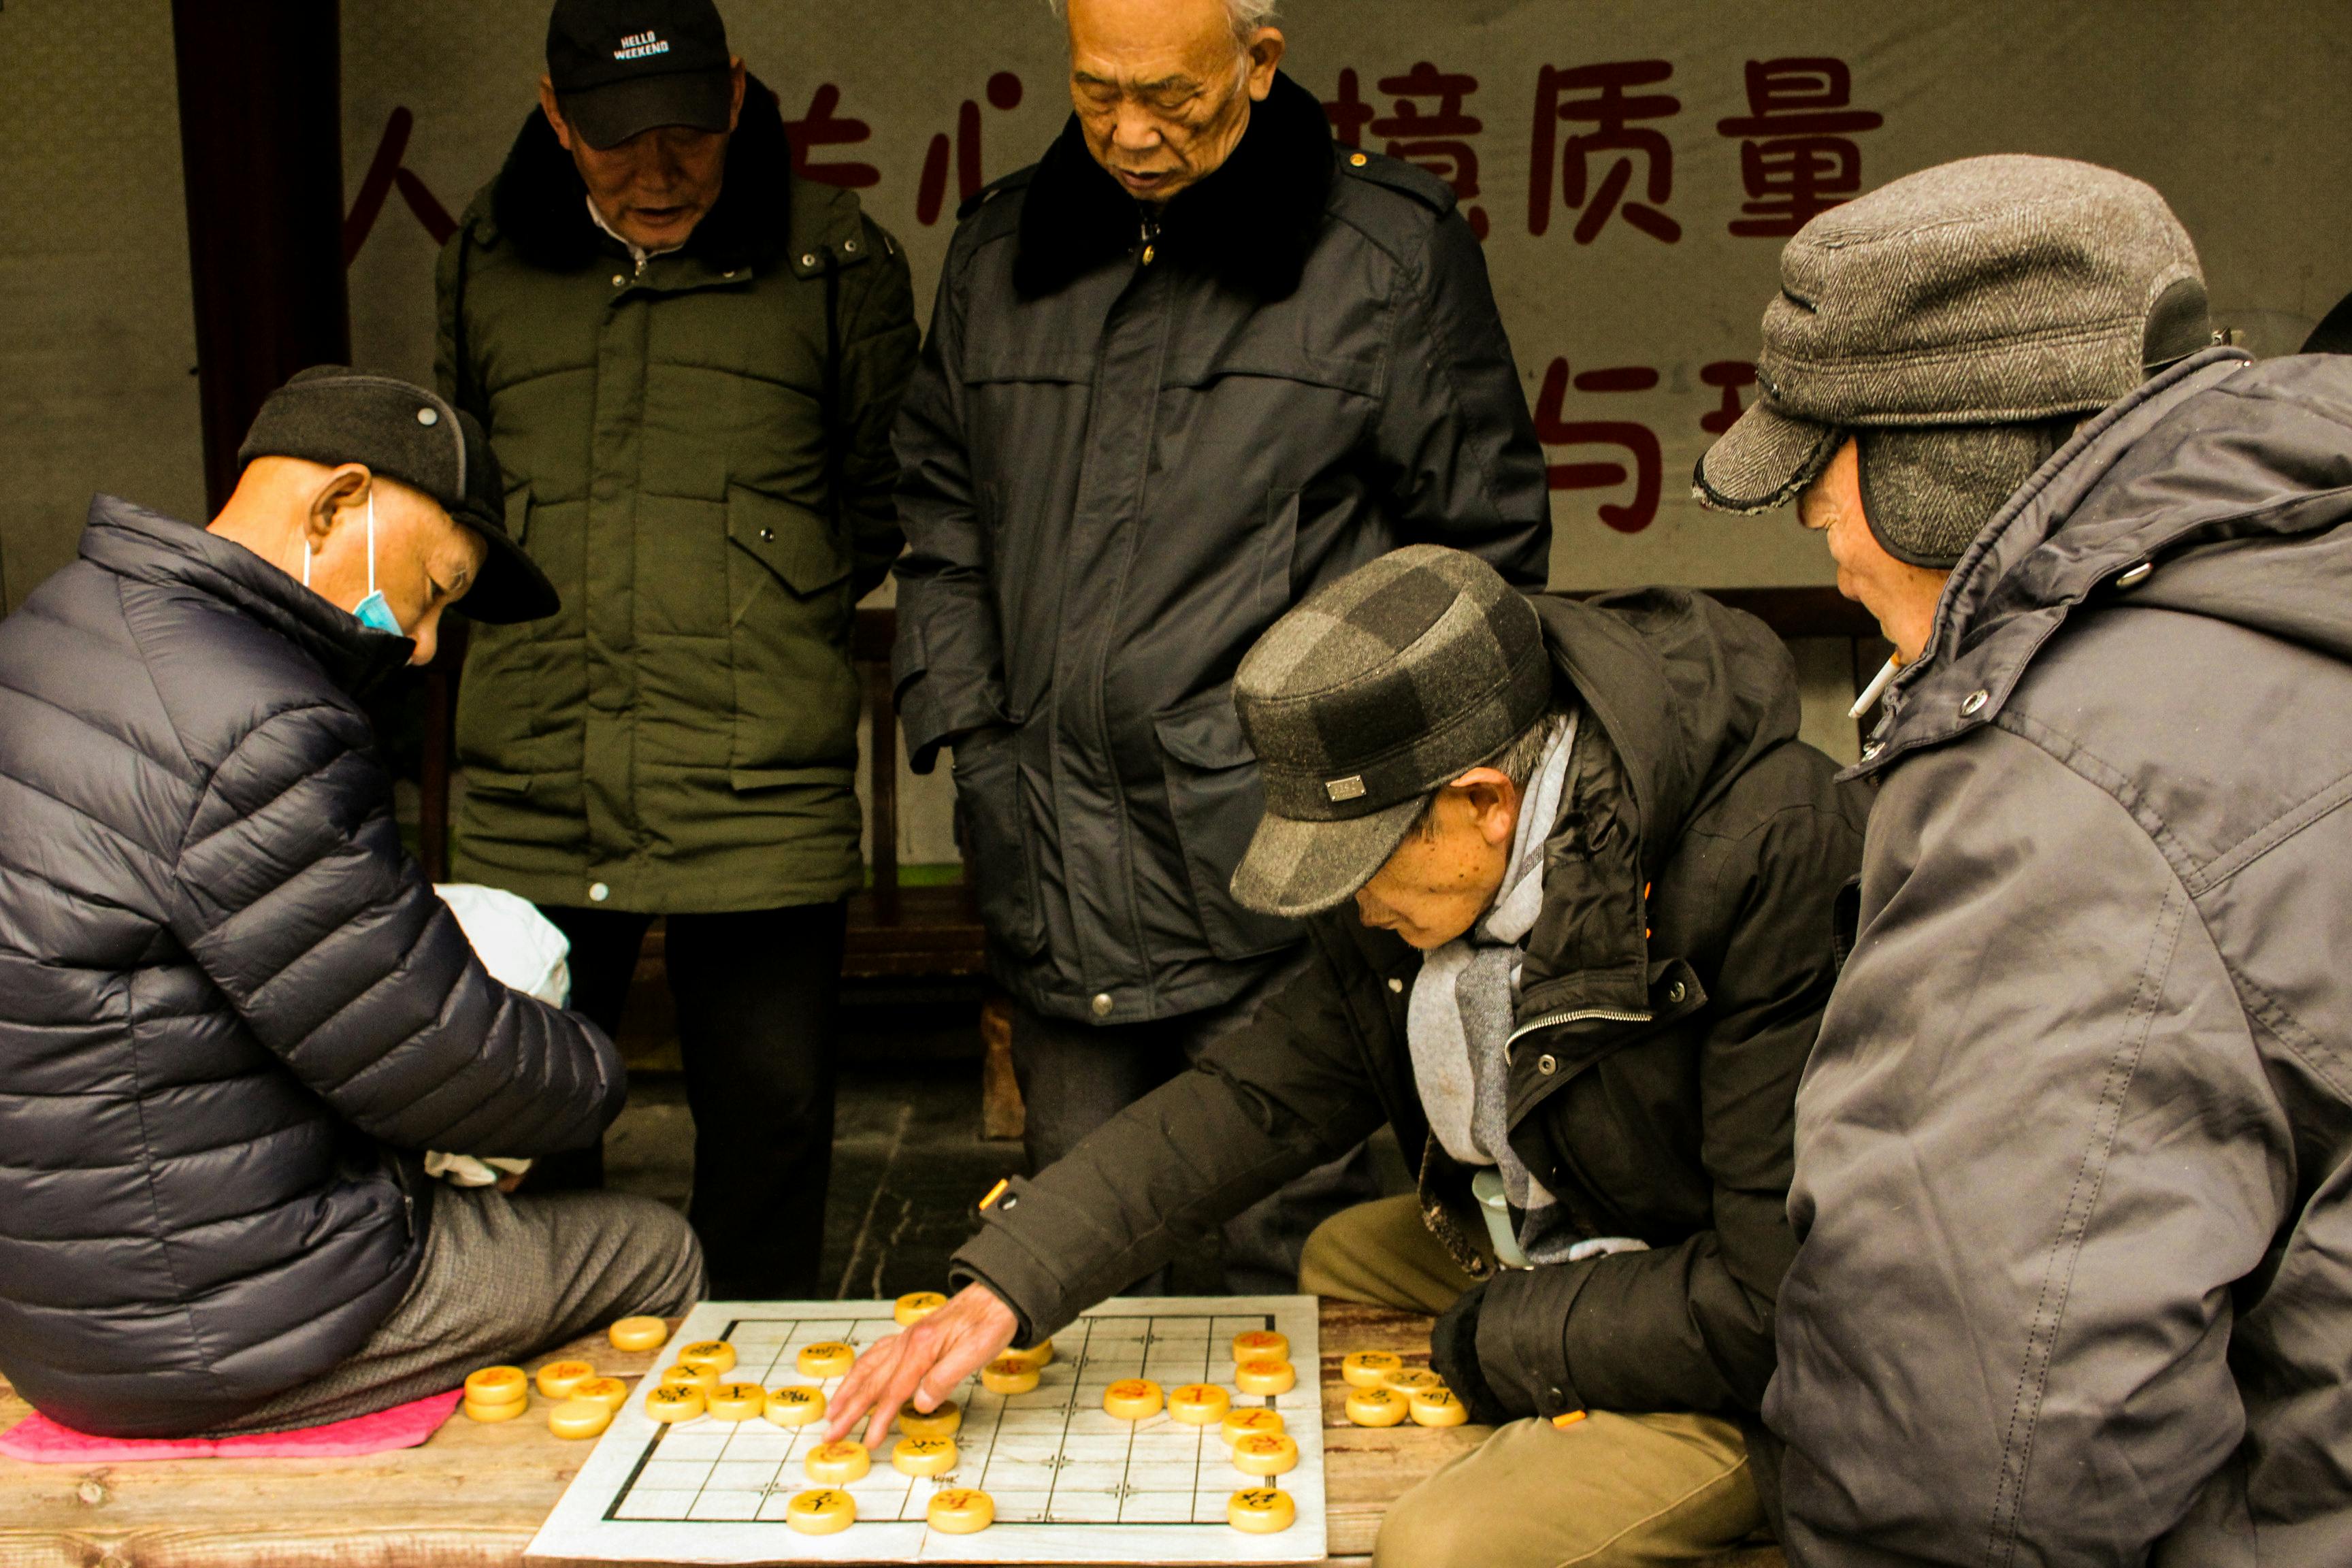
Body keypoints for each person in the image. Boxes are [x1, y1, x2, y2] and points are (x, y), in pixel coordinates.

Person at [834, 545, 1866, 1565]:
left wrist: (1497, 1342)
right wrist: (1009, 1282)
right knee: (1342, 1259)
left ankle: (1635, 1474)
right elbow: (1251, 1100)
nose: (1358, 903)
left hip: (1763, 1348)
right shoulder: (1432, 878)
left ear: (1484, 801)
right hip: (1582, 1229)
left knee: (1439, 1544)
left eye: (1365, 865)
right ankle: (1538, 1419)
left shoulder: (1771, 856)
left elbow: (1776, 1299)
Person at [1694, 154, 2352, 1563]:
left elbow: (1972, 1447)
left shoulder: (2062, 794)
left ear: (1938, 475)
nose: (1833, 560)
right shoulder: (2304, 584)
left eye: (1821, 498)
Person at [890, 0, 1551, 1292]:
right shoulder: (1004, 249)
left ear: (1259, 61)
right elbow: (939, 507)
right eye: (1097, 95)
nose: (1131, 135)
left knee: (1287, 1268)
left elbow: (1482, 560)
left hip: (1286, 863)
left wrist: (1380, 800)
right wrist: (973, 734)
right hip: (1054, 848)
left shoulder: (1380, 255)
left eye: (1174, 101)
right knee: (1075, 1267)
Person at [0, 368, 701, 1440]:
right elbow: (432, 1050)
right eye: (433, 586)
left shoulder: (56, 626)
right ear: (336, 505)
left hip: (45, 1296)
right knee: (651, 1249)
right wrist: (592, 1074)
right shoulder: (258, 719)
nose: (421, 642)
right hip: (200, 1324)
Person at [436, 0, 918, 1297]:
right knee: (519, 1128)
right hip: (535, 772)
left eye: (690, 138)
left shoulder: (834, 259)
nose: (657, 175)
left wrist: (751, 598)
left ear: (740, 97)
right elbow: (460, 497)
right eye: (616, 143)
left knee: (770, 1128)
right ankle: (551, 1394)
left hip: (754, 773)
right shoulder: (490, 251)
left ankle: (755, 1412)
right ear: (554, 116)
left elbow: (882, 502)